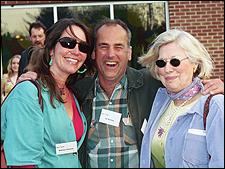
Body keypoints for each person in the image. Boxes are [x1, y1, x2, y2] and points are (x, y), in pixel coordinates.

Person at [17, 19, 224, 168]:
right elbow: (57, 77)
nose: (111, 54)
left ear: (130, 52)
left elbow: (185, 83)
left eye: (119, 47)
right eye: (103, 46)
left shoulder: (153, 86)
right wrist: (35, 75)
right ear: (94, 53)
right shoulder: (78, 90)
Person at [1, 18, 93, 168]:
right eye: (68, 43)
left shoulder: (72, 94)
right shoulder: (28, 92)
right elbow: (23, 164)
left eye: (83, 47)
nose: (76, 51)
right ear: (51, 49)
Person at [138, 29, 224, 168]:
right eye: (161, 63)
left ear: (194, 63)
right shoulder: (160, 101)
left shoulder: (215, 106)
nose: (167, 69)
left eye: (175, 61)